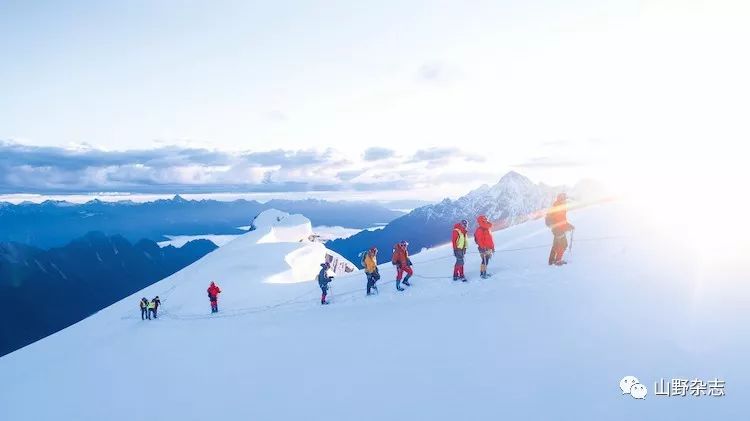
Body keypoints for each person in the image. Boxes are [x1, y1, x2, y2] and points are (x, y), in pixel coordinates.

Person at [545, 193, 575, 266]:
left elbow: (561, 221)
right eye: (564, 199)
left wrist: (569, 226)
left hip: (555, 229)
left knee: (556, 245)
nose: (565, 200)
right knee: (564, 244)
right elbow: (561, 221)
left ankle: (551, 261)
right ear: (561, 199)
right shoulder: (559, 207)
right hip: (559, 230)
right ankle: (558, 260)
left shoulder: (556, 205)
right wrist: (568, 226)